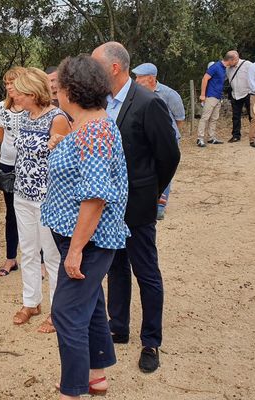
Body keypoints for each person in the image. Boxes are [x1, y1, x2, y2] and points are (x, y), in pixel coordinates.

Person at [42, 54, 129, 400]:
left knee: (65, 312)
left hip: (89, 242)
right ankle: (96, 377)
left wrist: (76, 249)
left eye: (58, 85)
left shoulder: (94, 130)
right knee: (90, 305)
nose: (55, 91)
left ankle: (72, 391)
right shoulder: (88, 126)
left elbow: (95, 197)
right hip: (78, 236)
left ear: (70, 90)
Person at [91, 42, 180, 373]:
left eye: (97, 64)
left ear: (114, 67)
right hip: (108, 205)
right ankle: (118, 327)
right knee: (115, 267)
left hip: (139, 204)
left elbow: (169, 155)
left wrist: (152, 190)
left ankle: (151, 341)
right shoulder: (100, 103)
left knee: (146, 271)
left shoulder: (148, 102)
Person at [10, 67, 70, 333]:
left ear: (33, 92)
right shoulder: (23, 117)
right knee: (29, 250)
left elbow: (67, 159)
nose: (15, 97)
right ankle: (31, 302)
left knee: (53, 255)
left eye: (19, 92)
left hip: (47, 197)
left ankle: (58, 312)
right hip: (22, 193)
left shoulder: (57, 118)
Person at [131, 63, 185, 220]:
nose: (136, 80)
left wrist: (167, 135)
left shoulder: (169, 94)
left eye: (139, 77)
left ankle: (160, 206)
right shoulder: (136, 94)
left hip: (167, 140)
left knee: (164, 169)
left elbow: (179, 118)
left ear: (150, 78)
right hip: (146, 139)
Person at [0, 66, 26, 276]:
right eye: (7, 83)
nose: (9, 87)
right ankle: (11, 258)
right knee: (11, 213)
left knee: (34, 211)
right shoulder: (1, 107)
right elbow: (1, 135)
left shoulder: (34, 107)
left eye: (13, 82)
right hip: (7, 165)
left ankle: (40, 259)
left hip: (30, 166)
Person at [196, 51, 238, 147]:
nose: (236, 62)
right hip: (211, 96)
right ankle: (200, 138)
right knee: (205, 117)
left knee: (214, 118)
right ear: (230, 60)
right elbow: (205, 79)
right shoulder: (215, 66)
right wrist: (203, 95)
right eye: (235, 60)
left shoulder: (224, 68)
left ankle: (211, 137)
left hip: (218, 97)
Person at [225, 51, 252, 143]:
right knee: (235, 116)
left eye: (231, 60)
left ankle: (254, 135)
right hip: (235, 94)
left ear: (235, 59)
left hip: (247, 93)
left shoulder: (247, 64)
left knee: (251, 115)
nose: (229, 63)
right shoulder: (228, 68)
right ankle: (236, 135)